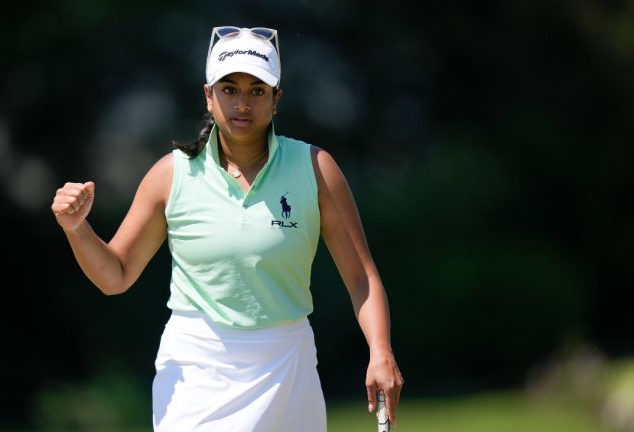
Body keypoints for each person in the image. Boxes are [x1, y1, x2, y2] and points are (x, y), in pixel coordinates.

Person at [51, 25, 403, 431]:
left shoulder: (315, 169)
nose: (242, 103)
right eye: (230, 88)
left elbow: (362, 277)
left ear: (276, 99)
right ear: (208, 95)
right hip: (197, 365)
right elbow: (116, 274)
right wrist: (77, 230)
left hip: (287, 364)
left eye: (257, 90)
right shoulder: (171, 175)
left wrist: (381, 350)